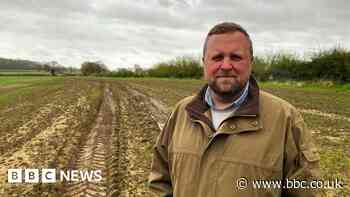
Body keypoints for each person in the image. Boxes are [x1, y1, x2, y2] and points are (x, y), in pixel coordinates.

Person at [148, 22, 321, 197]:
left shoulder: (285, 118)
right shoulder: (182, 112)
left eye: (236, 57)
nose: (225, 65)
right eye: (217, 57)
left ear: (250, 63)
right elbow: (160, 180)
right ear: (204, 63)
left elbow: (305, 190)